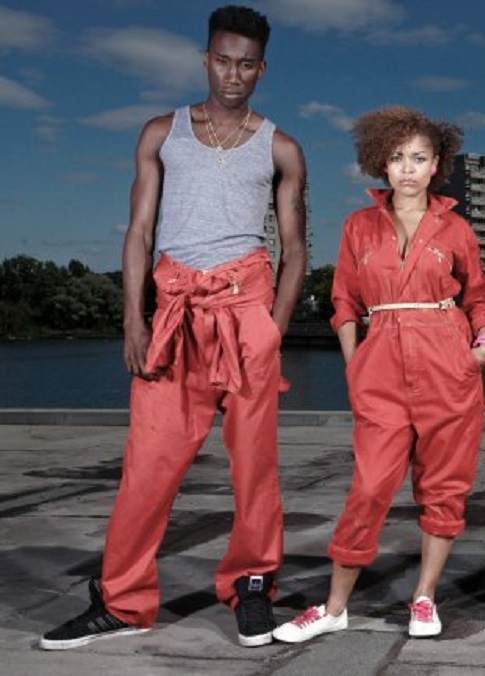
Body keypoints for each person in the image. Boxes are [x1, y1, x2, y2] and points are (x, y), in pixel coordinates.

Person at [40, 5, 306, 650]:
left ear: (261, 68)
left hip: (246, 313)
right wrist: (134, 317)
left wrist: (272, 329)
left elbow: (296, 248)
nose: (233, 73)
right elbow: (138, 232)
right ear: (206, 58)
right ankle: (124, 601)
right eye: (223, 58)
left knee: (255, 471)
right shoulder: (162, 132)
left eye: (247, 63)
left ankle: (250, 586)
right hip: (175, 313)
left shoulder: (281, 146)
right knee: (149, 466)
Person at [271, 107, 485, 643]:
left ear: (436, 163)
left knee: (443, 490)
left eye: (419, 158)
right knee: (369, 488)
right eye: (396, 158)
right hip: (382, 371)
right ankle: (333, 607)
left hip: (449, 366)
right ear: (381, 164)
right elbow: (344, 302)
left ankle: (424, 598)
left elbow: (480, 296)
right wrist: (356, 365)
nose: (407, 169)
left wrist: (482, 349)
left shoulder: (457, 229)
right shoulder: (358, 227)